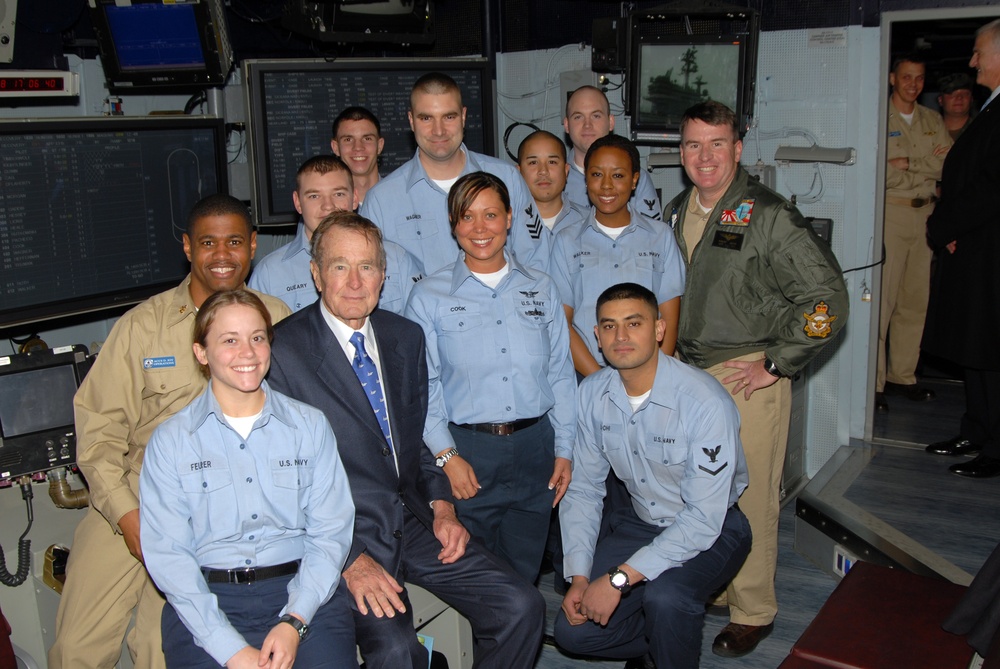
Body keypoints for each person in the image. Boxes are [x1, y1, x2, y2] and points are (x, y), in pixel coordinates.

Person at [267, 210, 545, 668]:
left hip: (415, 522)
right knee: (397, 650)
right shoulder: (282, 353)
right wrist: (349, 560)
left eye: (368, 267)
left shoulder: (404, 337)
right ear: (316, 274)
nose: (356, 282)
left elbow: (414, 442)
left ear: (383, 274)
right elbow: (281, 481)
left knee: (522, 606)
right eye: (340, 266)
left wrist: (442, 507)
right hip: (341, 536)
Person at [49, 195, 292, 669]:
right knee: (78, 648)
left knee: (161, 652)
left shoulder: (276, 317)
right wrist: (128, 519)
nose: (222, 255)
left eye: (235, 242)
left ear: (253, 246)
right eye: (207, 242)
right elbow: (98, 436)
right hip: (134, 500)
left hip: (218, 517)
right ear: (187, 247)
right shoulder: (143, 327)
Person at [666, 101, 849, 657]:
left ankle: (754, 611)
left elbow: (828, 300)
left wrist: (776, 362)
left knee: (749, 495)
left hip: (748, 376)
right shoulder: (676, 210)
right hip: (689, 375)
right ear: (680, 153)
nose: (705, 156)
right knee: (700, 494)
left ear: (738, 148)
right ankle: (718, 587)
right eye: (694, 145)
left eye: (716, 143)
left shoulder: (768, 214)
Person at [139, 289, 357, 668]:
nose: (248, 352)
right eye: (229, 340)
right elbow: (169, 557)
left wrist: (294, 621)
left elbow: (331, 533)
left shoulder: (309, 426)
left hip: (303, 593)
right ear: (201, 353)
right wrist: (229, 650)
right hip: (207, 601)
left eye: (257, 337)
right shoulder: (172, 441)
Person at [554, 282, 751, 669]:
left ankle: (669, 646)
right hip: (641, 522)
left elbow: (702, 518)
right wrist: (579, 575)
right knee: (572, 632)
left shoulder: (704, 402)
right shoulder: (592, 394)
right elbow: (584, 490)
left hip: (714, 527)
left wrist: (617, 579)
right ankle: (659, 642)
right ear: (596, 336)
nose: (621, 336)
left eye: (634, 323)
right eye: (609, 326)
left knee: (668, 599)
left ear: (659, 330)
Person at [404, 172, 576, 583]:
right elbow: (421, 388)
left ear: (510, 218)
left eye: (491, 215)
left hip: (536, 450)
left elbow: (561, 375)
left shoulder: (542, 287)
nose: (480, 229)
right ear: (453, 224)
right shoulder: (429, 296)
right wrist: (447, 457)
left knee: (522, 578)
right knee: (473, 579)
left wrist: (566, 448)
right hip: (468, 455)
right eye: (467, 217)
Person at [361, 72, 549, 274]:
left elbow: (536, 262)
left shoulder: (507, 178)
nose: (439, 130)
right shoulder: (382, 201)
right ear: (411, 120)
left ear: (464, 116)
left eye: (448, 117)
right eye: (426, 118)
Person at [923, 19, 1000, 479]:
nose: (972, 61)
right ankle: (976, 428)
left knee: (990, 351)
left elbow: (991, 187)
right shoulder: (991, 107)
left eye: (978, 52)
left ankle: (995, 446)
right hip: (974, 245)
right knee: (974, 348)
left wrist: (943, 223)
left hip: (990, 251)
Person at [549, 133, 685, 378]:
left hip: (650, 376)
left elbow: (669, 318)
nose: (607, 185)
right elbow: (562, 323)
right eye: (597, 174)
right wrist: (598, 381)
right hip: (586, 375)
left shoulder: (661, 237)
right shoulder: (566, 241)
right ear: (586, 179)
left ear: (634, 180)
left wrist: (654, 380)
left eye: (618, 175)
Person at [249, 155, 424, 315]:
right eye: (314, 196)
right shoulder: (269, 274)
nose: (328, 206)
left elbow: (417, 330)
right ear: (297, 202)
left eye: (338, 194)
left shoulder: (396, 259)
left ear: (354, 198)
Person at [876, 54, 951, 413]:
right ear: (893, 78)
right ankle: (873, 384)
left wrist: (908, 164)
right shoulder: (879, 118)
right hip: (892, 215)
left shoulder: (932, 120)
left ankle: (901, 376)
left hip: (925, 216)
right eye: (906, 77)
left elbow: (947, 164)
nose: (913, 84)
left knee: (914, 302)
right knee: (883, 302)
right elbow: (882, 174)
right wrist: (922, 169)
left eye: (919, 78)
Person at [562, 85, 660, 220]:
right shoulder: (556, 178)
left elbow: (652, 236)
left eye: (596, 116)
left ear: (610, 122)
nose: (587, 125)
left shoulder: (636, 177)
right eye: (578, 117)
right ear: (566, 125)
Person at [517, 129, 588, 236]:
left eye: (552, 162)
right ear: (518, 172)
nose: (543, 171)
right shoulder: (505, 225)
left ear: (566, 170)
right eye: (533, 162)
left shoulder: (589, 223)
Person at [331, 106, 385, 206]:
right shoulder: (324, 209)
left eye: (367, 139)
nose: (358, 147)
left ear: (380, 145)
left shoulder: (403, 198)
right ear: (335, 148)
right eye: (348, 139)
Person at [937, 73, 975, 141]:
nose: (959, 97)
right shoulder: (929, 129)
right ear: (940, 100)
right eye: (952, 94)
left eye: (965, 94)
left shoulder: (982, 130)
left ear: (971, 99)